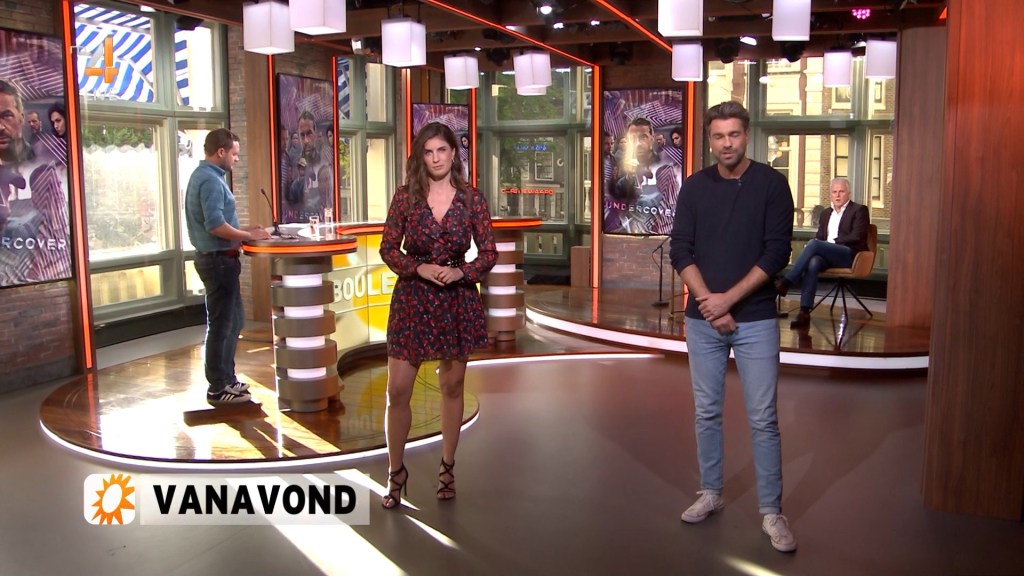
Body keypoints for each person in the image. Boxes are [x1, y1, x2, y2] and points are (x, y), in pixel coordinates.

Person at [668, 101, 797, 553]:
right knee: (706, 412)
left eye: (734, 134)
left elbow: (776, 252)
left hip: (756, 318)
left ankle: (771, 511)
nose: (727, 143)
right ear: (710, 140)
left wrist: (729, 300)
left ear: (747, 135)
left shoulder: (771, 185)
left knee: (763, 417)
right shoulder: (694, 187)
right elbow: (680, 249)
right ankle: (711, 491)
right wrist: (710, 303)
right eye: (719, 136)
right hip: (704, 321)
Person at [378, 122, 497, 509]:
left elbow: (489, 252)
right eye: (428, 152)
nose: (435, 158)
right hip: (413, 299)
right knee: (397, 390)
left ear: (453, 153)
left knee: (452, 386)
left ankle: (447, 467)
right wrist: (418, 268)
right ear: (420, 157)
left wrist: (463, 272)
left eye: (441, 150)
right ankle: (396, 472)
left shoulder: (472, 199)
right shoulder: (405, 198)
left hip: (455, 301)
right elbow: (388, 248)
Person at [184, 128, 271, 406]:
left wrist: (246, 230)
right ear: (220, 152)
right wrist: (247, 235)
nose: (236, 159)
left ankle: (227, 379)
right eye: (234, 154)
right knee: (222, 325)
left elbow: (219, 223)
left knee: (234, 321)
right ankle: (218, 387)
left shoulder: (207, 176)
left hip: (221, 260)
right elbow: (215, 226)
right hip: (217, 262)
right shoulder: (210, 181)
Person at [776, 178, 870, 329]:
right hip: (828, 255)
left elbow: (857, 236)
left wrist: (830, 243)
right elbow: (820, 237)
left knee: (814, 245)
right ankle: (804, 313)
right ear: (830, 194)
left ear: (849, 193)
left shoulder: (859, 210)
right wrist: (821, 243)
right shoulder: (826, 213)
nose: (837, 195)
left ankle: (787, 282)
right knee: (813, 262)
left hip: (849, 255)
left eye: (841, 191)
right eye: (834, 192)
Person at [607, 116, 680, 235]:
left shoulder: (668, 166)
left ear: (652, 138)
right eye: (633, 139)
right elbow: (616, 208)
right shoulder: (623, 174)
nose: (638, 144)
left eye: (643, 137)